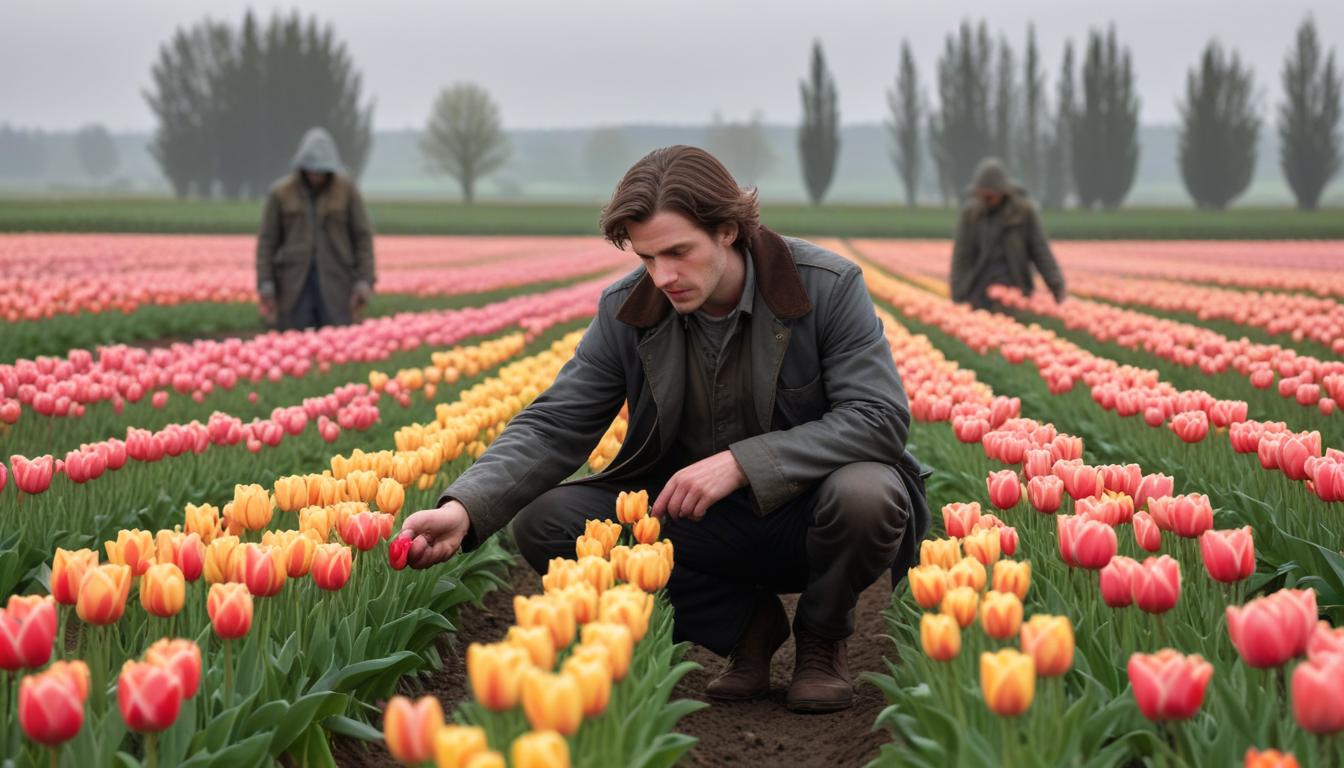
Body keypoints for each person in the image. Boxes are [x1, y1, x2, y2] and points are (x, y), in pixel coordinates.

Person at [399, 145, 930, 714]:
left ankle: (822, 642)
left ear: (729, 230)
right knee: (547, 522)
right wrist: (465, 508)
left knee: (868, 492)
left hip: (813, 515)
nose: (664, 276)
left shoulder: (824, 286)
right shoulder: (630, 308)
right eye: (647, 257)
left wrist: (742, 462)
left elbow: (878, 418)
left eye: (679, 252)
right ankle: (746, 631)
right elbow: (556, 422)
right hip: (694, 522)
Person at [255, 127, 375, 330]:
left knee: (336, 341)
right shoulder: (281, 193)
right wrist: (265, 283)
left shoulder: (346, 191)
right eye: (311, 170)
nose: (316, 176)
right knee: (294, 341)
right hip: (294, 285)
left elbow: (362, 238)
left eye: (321, 171)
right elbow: (267, 242)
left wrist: (364, 280)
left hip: (336, 283)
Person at [949, 157, 1066, 311]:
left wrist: (1056, 286)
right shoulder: (971, 215)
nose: (985, 200)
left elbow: (1040, 251)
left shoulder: (1023, 213)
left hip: (1015, 286)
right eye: (982, 195)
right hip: (980, 289)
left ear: (1002, 191)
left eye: (990, 196)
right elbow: (962, 255)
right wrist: (958, 292)